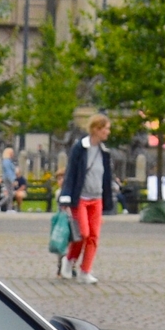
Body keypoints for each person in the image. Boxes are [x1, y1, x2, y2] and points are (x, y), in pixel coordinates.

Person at [59, 115, 115, 283]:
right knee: (83, 233)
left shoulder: (104, 152)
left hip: (96, 198)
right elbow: (71, 174)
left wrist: (108, 199)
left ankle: (85, 271)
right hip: (81, 198)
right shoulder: (80, 148)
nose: (108, 132)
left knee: (93, 236)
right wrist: (66, 198)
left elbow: (106, 177)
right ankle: (69, 260)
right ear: (96, 129)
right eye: (106, 128)